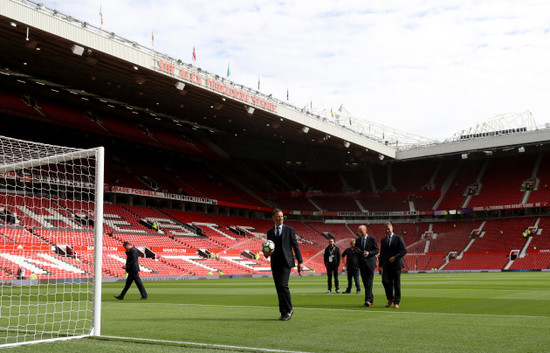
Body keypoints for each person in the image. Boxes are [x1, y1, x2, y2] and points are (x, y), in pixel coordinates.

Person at [264, 209, 303, 321]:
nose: (281, 218)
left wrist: (300, 261)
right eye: (278, 216)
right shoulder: (270, 232)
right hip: (275, 262)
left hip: (286, 262)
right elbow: (268, 248)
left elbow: (295, 246)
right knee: (278, 288)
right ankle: (283, 312)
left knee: (283, 285)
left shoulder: (289, 230)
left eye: (282, 216)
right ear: (273, 218)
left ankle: (289, 310)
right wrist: (266, 254)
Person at [379, 222, 407, 309]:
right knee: (385, 281)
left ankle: (396, 301)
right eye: (385, 229)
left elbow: (404, 251)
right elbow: (382, 253)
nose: (387, 230)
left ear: (392, 228)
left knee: (396, 284)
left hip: (396, 265)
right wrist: (380, 265)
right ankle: (390, 298)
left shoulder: (398, 238)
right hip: (386, 265)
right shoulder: (383, 240)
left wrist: (395, 257)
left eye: (388, 228)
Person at [355, 225, 379, 307]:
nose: (360, 233)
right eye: (359, 231)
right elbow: (356, 253)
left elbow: (377, 250)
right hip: (362, 264)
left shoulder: (372, 239)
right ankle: (371, 299)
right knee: (365, 283)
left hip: (370, 263)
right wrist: (357, 252)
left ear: (366, 230)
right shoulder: (357, 240)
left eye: (361, 231)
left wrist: (369, 253)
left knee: (369, 282)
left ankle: (367, 300)